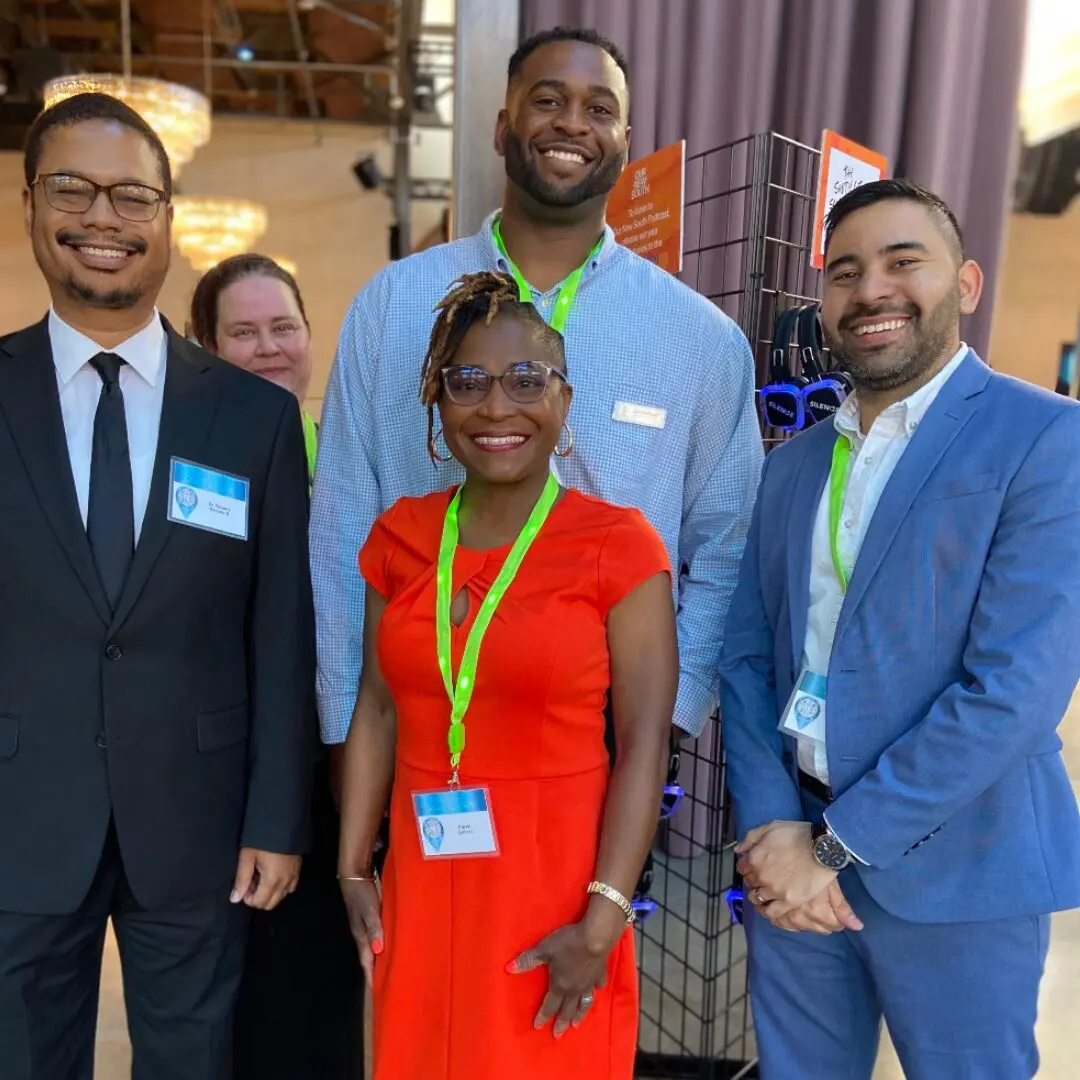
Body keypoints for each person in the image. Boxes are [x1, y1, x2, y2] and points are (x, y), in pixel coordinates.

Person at [311, 27, 762, 767]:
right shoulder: (393, 306)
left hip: (597, 739)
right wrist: (342, 726)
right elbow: (341, 527)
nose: (571, 124)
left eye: (598, 108)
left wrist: (666, 719)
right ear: (503, 127)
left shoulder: (700, 340)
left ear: (623, 141)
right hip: (413, 724)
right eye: (547, 100)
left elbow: (730, 542)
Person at [718, 179, 1080, 1079]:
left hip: (961, 867)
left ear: (965, 283)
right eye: (845, 273)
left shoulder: (1047, 440)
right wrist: (774, 830)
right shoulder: (793, 464)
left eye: (901, 261)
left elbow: (1014, 694)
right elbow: (748, 656)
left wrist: (835, 848)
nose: (870, 289)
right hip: (791, 857)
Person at [0, 93, 315, 1079]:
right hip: (19, 808)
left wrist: (276, 816)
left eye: (133, 195)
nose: (103, 218)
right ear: (28, 206)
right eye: (73, 189)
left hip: (200, 815)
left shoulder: (252, 420)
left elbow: (279, 631)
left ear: (169, 220)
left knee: (190, 1060)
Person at [336, 270, 678, 1078]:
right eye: (468, 382)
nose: (497, 407)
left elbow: (643, 743)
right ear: (438, 402)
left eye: (527, 380)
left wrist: (603, 921)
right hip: (423, 880)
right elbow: (377, 708)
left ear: (563, 402)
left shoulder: (617, 546)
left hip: (554, 885)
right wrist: (354, 863)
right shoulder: (403, 537)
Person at [190, 255, 365, 1080]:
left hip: (335, 764)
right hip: (221, 775)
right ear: (205, 345)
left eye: (283, 328)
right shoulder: (187, 468)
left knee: (321, 994)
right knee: (228, 1001)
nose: (269, 348)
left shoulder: (342, 455)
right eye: (243, 332)